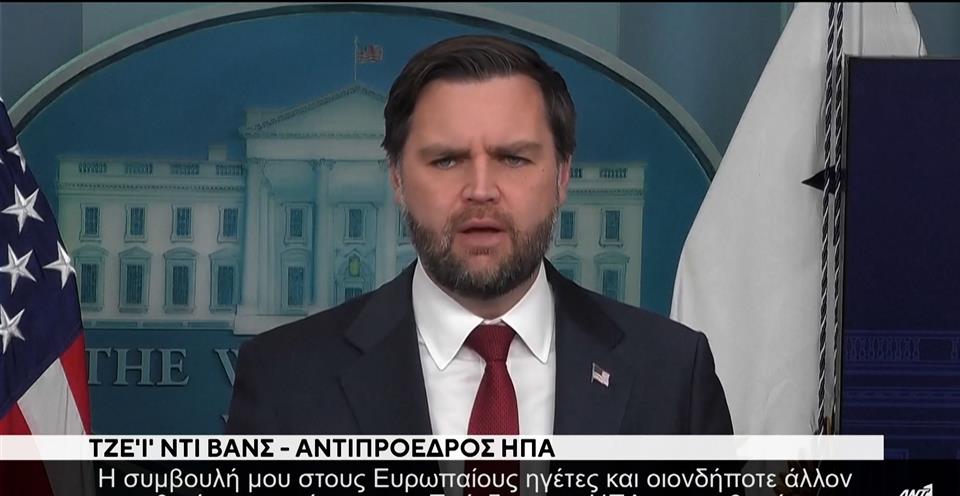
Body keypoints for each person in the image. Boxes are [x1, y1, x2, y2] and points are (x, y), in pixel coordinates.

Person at [226, 34, 733, 436]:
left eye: (513, 158)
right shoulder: (283, 380)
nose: (481, 190)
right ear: (397, 179)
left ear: (561, 177)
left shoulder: (672, 375)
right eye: (447, 160)